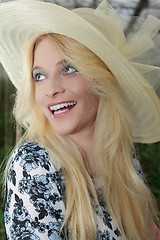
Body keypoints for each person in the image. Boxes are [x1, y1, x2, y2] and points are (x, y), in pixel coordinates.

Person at [0, 0, 160, 239]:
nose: (51, 89)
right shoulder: (34, 165)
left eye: (69, 69)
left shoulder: (121, 154)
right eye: (39, 76)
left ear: (102, 80)